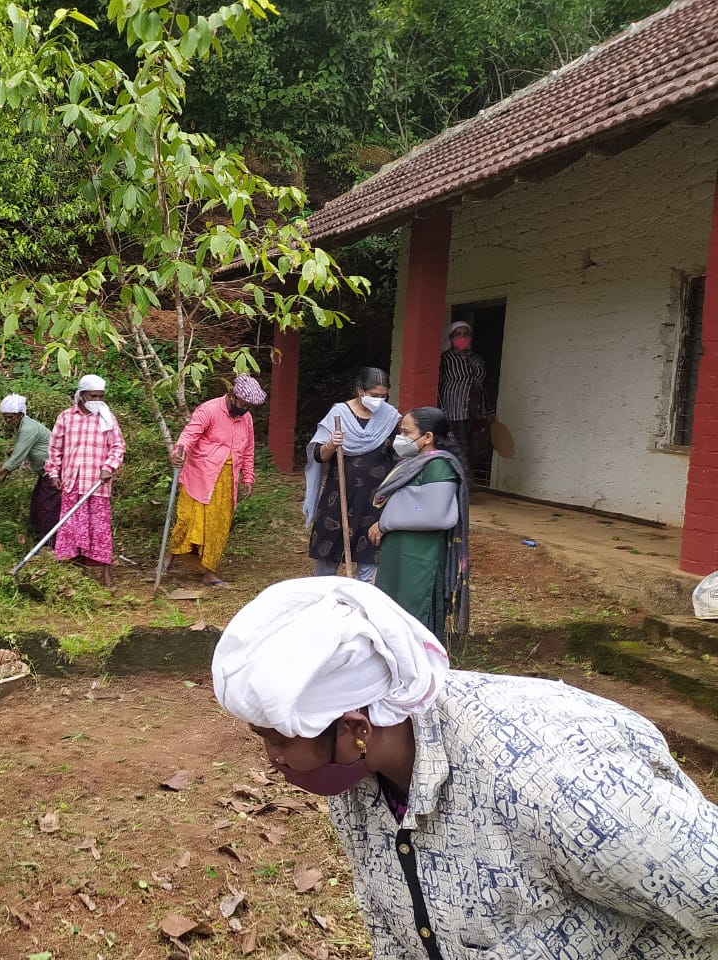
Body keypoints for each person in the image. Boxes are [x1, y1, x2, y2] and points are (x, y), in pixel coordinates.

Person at [213, 577, 718, 959]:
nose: (272, 761)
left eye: (279, 740)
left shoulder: (559, 782)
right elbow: (387, 917)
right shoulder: (360, 783)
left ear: (354, 726)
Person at [368, 406, 470, 641]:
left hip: (421, 554)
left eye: (406, 432)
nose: (400, 438)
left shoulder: (439, 465)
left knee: (414, 611)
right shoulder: (413, 462)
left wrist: (385, 524)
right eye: (400, 432)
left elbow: (434, 514)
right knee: (391, 607)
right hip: (399, 551)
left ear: (428, 437)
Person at [162, 375, 266, 586]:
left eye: (249, 406)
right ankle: (168, 558)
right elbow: (189, 435)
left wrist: (248, 475)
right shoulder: (208, 410)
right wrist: (178, 452)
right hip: (200, 476)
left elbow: (248, 449)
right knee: (187, 520)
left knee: (217, 527)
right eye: (243, 404)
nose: (245, 409)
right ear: (232, 395)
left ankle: (209, 571)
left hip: (226, 481)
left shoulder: (246, 418)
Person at [303, 367, 400, 583]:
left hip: (374, 499)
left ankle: (361, 599)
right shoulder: (339, 414)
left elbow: (397, 456)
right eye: (374, 395)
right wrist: (331, 444)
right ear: (360, 391)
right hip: (339, 496)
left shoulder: (390, 417)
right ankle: (325, 596)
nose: (379, 401)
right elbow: (318, 455)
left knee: (369, 552)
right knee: (328, 552)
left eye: (383, 396)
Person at [45, 374, 126, 589]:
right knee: (71, 528)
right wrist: (53, 473)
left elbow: (118, 446)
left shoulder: (107, 418)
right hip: (71, 482)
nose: (97, 400)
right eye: (93, 396)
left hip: (97, 485)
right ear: (81, 395)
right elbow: (54, 448)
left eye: (101, 396)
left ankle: (106, 575)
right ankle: (74, 572)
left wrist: (109, 467)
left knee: (99, 529)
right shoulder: (65, 417)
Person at [0, 393, 60, 544]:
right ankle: (39, 540)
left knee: (47, 507)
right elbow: (14, 460)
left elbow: (16, 459)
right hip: (45, 473)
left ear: (20, 414)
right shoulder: (22, 426)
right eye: (5, 417)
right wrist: (4, 474)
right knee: (37, 504)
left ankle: (50, 544)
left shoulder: (28, 429)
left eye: (10, 417)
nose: (7, 421)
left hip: (55, 471)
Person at [437, 320, 494, 482]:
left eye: (466, 334)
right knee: (459, 448)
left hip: (476, 410)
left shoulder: (477, 359)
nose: (462, 338)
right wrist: (441, 410)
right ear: (451, 337)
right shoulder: (445, 359)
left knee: (477, 449)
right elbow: (438, 384)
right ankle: (461, 484)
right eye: (458, 334)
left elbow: (483, 385)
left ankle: (464, 481)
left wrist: (490, 411)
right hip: (454, 410)